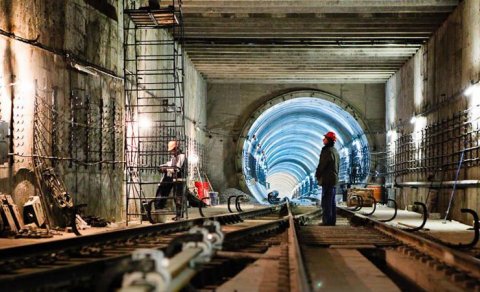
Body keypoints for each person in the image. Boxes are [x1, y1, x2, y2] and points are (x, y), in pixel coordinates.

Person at [154, 140, 186, 220]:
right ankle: (178, 215)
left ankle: (179, 215)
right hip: (174, 180)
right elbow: (169, 164)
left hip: (180, 179)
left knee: (178, 197)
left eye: (172, 151)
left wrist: (166, 169)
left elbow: (177, 168)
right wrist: (162, 166)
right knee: (176, 197)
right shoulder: (174, 158)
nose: (171, 153)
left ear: (176, 149)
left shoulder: (182, 156)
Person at [315, 131, 340, 226]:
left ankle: (326, 221)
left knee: (326, 201)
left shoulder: (327, 151)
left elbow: (322, 165)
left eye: (325, 138)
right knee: (332, 201)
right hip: (334, 179)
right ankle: (332, 221)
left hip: (327, 179)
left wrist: (318, 174)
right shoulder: (335, 151)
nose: (323, 139)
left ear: (328, 140)